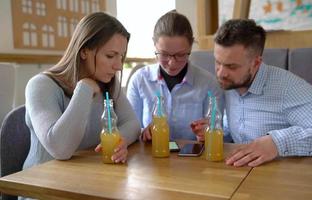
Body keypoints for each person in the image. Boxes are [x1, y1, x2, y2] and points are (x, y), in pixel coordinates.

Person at [192, 19, 312, 167]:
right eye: (218, 62)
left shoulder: (288, 89)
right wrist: (218, 130)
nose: (221, 73)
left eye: (231, 66)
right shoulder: (230, 84)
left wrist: (277, 143)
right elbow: (245, 126)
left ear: (256, 63)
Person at [23, 12, 140, 169]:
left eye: (121, 56)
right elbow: (60, 149)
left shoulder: (109, 82)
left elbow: (132, 124)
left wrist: (120, 142)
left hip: (86, 179)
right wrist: (84, 88)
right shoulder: (40, 85)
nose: (118, 66)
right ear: (84, 51)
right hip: (41, 187)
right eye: (111, 56)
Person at [126, 11, 222, 141]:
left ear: (191, 47)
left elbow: (219, 130)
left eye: (181, 55)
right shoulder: (139, 80)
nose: (172, 63)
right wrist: (144, 132)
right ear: (154, 45)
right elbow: (130, 129)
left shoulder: (208, 83)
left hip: (193, 158)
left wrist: (209, 133)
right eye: (164, 54)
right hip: (150, 156)